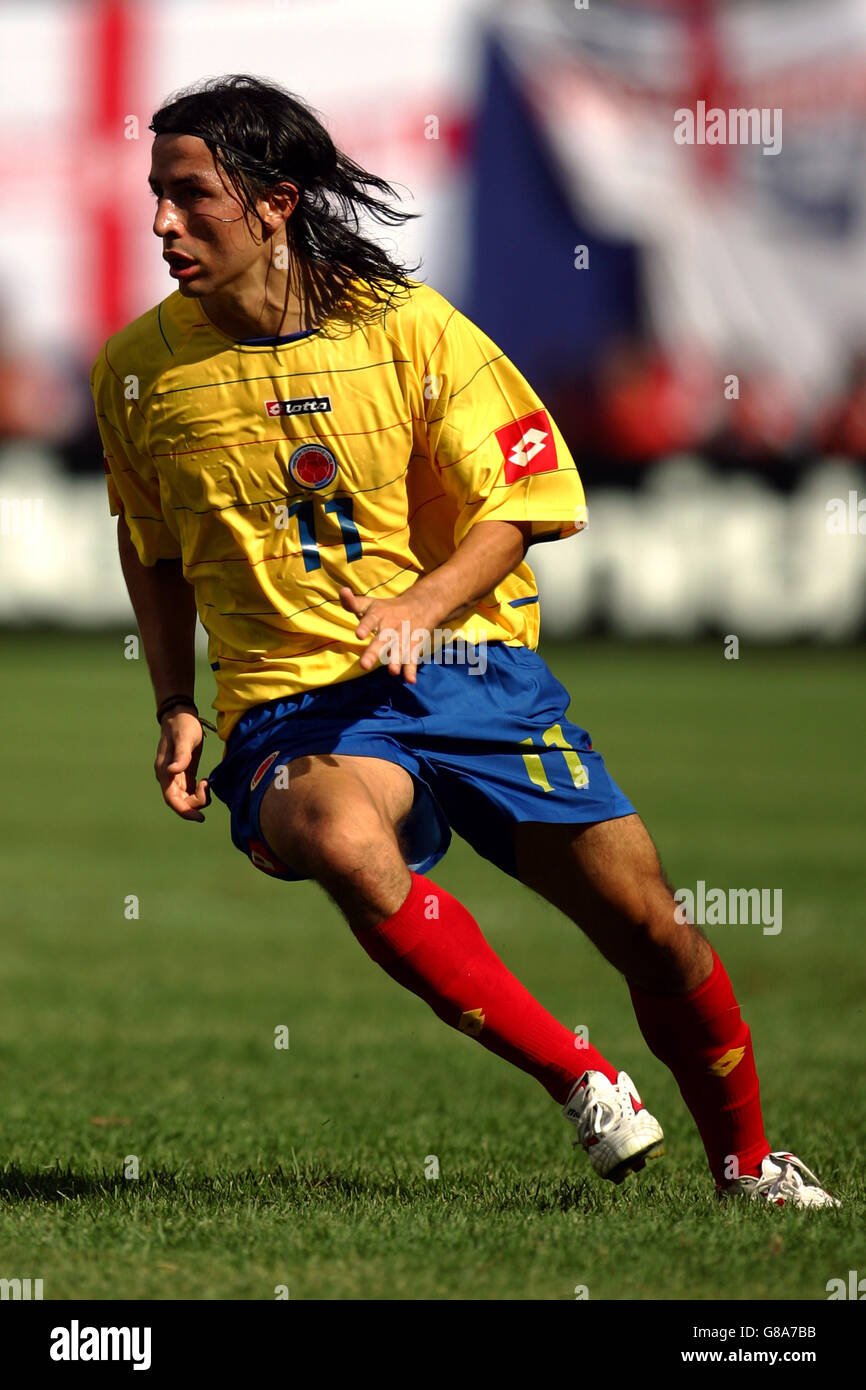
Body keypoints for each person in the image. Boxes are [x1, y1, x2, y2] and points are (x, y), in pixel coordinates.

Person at [91, 75, 838, 1209]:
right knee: (333, 837)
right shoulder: (136, 371)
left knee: (649, 930)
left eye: (190, 197)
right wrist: (173, 702)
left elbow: (527, 494)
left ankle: (747, 1166)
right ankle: (582, 1079)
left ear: (277, 201)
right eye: (155, 195)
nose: (161, 224)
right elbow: (149, 549)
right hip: (290, 703)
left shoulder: (408, 328)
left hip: (462, 668)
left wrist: (421, 606)